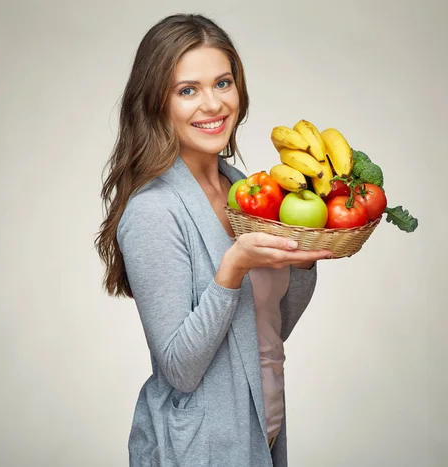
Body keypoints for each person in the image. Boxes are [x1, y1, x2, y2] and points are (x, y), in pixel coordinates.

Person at [95, 13, 333, 467]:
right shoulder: (154, 210)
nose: (213, 104)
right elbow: (180, 371)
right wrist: (233, 266)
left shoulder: (245, 189)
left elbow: (266, 329)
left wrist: (301, 261)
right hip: (199, 447)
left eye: (223, 83)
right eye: (188, 90)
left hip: (262, 427)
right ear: (156, 103)